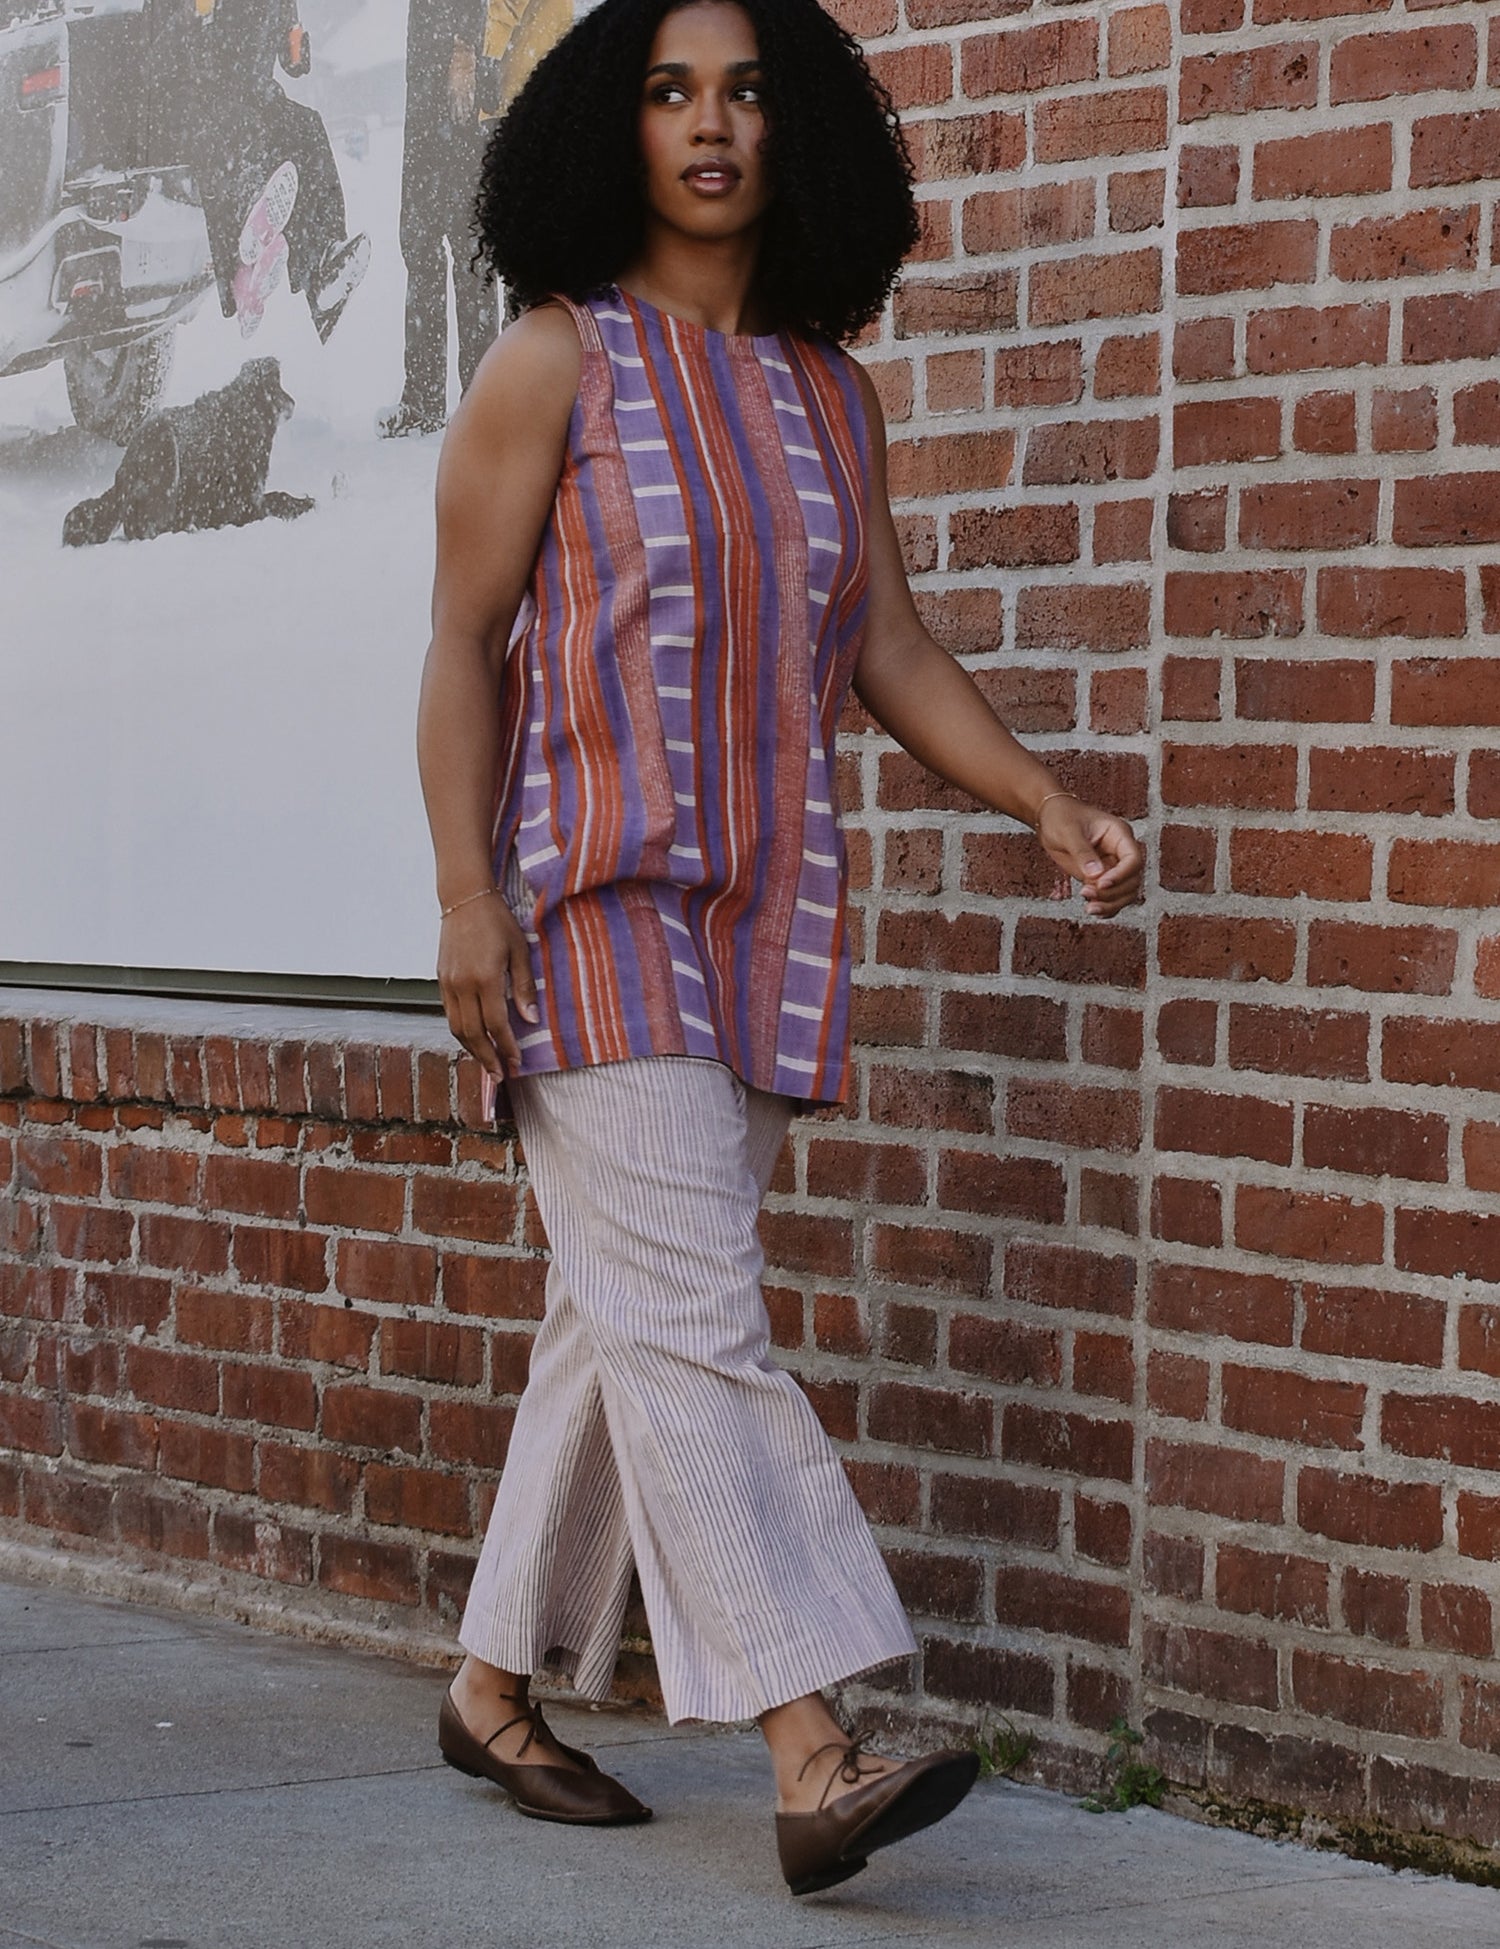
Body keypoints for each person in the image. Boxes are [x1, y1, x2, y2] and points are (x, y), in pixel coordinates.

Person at [415, 0, 1143, 1899]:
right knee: (697, 1316)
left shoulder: (832, 395)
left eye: (745, 93)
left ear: (796, 131)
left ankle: (492, 1685)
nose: (710, 126)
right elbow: (459, 646)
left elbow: (885, 647)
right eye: (669, 93)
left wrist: (1040, 799)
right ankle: (814, 1735)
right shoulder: (552, 365)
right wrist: (463, 898)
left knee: (629, 1314)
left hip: (767, 924)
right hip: (585, 909)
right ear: (613, 130)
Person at [157, 0, 369, 339]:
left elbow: (294, 66)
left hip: (256, 98)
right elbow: (164, 54)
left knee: (306, 128)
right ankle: (247, 258)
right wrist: (194, 17)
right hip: (193, 104)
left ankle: (322, 266)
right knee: (241, 133)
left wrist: (297, 44)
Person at [378, 0, 497, 439]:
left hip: (460, 101)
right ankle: (424, 399)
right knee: (419, 243)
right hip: (424, 106)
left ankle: (483, 399)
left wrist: (465, 49)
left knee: (472, 254)